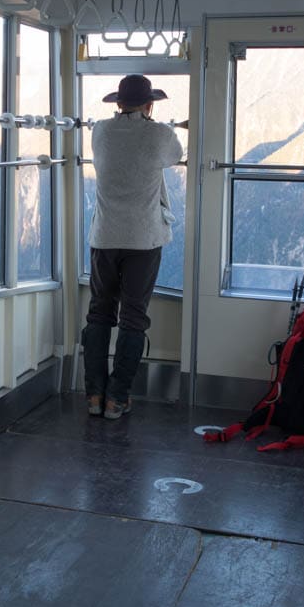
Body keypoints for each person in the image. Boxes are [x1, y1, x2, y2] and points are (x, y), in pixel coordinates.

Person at [82, 74, 184, 419]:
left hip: (104, 237)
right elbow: (174, 156)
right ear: (150, 104)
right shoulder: (160, 135)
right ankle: (118, 397)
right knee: (133, 318)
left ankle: (94, 395)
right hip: (143, 239)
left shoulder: (100, 131)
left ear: (118, 103)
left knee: (99, 313)